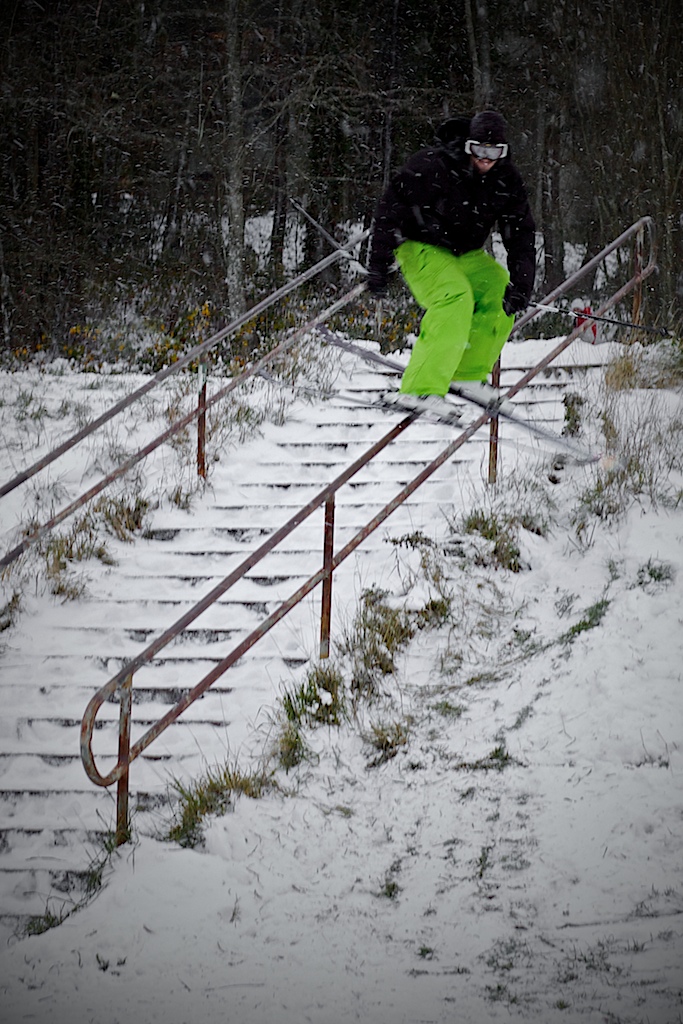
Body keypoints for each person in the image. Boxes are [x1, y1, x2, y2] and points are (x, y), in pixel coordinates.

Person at [367, 110, 536, 413]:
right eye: (479, 151)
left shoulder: (506, 180)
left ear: (503, 151)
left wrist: (522, 283)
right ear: (468, 145)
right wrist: (379, 263)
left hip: (465, 254)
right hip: (420, 246)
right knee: (454, 296)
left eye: (494, 152)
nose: (486, 159)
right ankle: (419, 388)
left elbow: (520, 233)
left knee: (499, 289)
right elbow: (389, 208)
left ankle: (467, 374)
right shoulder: (434, 165)